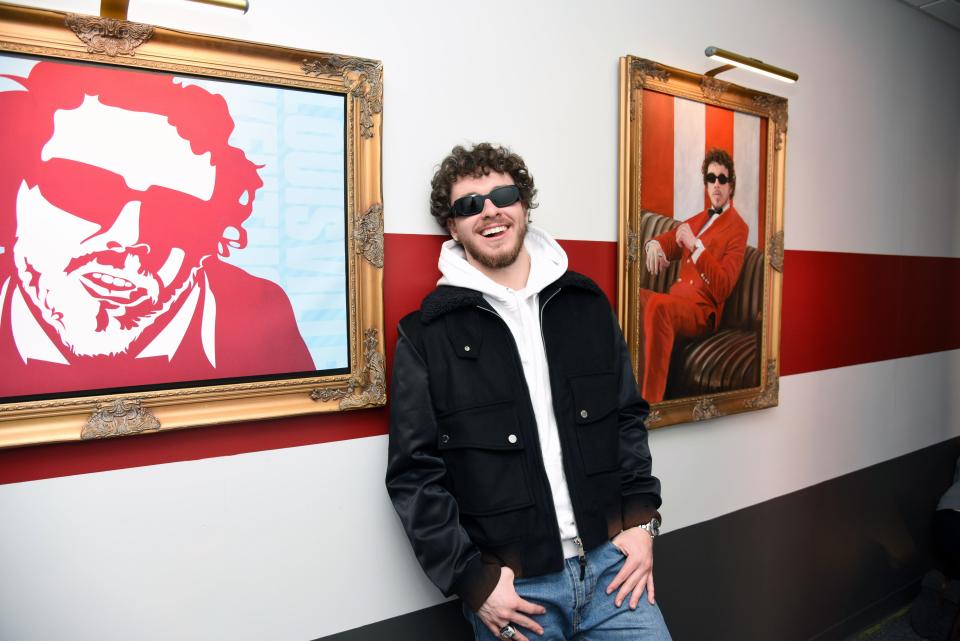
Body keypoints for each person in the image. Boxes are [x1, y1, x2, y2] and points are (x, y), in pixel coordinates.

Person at [386, 143, 670, 641]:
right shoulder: (426, 335)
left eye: (502, 194)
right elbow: (414, 476)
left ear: (523, 205)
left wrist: (643, 524)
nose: (490, 210)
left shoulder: (584, 303)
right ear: (452, 226)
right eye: (469, 204)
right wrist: (473, 582)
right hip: (518, 593)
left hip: (614, 569)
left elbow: (627, 418)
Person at [0, 60, 314, 398]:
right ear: (14, 189)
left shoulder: (261, 313)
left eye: (175, 212)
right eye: (83, 190)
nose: (128, 238)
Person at [640, 148, 748, 403]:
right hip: (677, 302)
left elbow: (723, 287)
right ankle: (623, 390)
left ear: (731, 186)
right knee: (633, 298)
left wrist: (696, 246)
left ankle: (648, 404)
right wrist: (653, 245)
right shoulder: (700, 219)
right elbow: (670, 240)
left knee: (657, 305)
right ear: (706, 184)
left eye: (722, 179)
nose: (717, 185)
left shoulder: (738, 229)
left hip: (701, 312)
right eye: (711, 179)